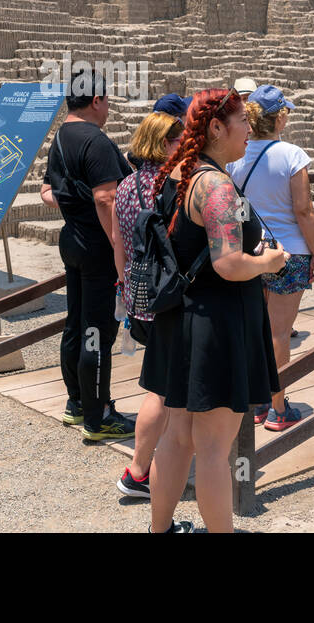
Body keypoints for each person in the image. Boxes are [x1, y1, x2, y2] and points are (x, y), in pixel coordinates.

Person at [141, 88, 287, 533]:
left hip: (180, 320)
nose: (248, 127)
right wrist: (269, 262)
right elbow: (228, 263)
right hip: (216, 325)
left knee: (177, 437)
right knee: (212, 449)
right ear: (217, 128)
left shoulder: (178, 172)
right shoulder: (216, 184)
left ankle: (159, 529)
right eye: (242, 120)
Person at [40, 70, 135, 442]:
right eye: (107, 100)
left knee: (76, 325)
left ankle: (77, 403)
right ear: (96, 100)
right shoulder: (94, 141)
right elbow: (105, 198)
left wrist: (71, 206)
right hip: (98, 248)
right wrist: (119, 250)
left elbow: (49, 191)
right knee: (98, 331)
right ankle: (99, 417)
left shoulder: (61, 137)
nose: (109, 107)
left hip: (73, 241)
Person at [226, 85, 314, 431]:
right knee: (279, 332)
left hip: (255, 251)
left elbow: (238, 209)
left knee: (256, 328)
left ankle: (257, 402)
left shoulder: (237, 156)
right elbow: (303, 209)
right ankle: (279, 407)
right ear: (280, 117)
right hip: (289, 251)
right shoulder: (293, 155)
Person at [111, 110, 184, 499]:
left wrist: (125, 286)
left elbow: (119, 242)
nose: (184, 145)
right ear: (163, 143)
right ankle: (142, 470)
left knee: (161, 383)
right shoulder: (170, 185)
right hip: (168, 295)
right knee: (162, 390)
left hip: (139, 292)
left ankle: (159, 464)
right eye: (178, 140)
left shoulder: (125, 186)